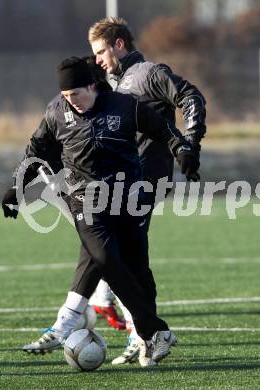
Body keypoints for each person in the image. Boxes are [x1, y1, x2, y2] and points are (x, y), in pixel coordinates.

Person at [2, 56, 199, 367]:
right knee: (105, 259)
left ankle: (150, 339)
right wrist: (16, 188)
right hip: (84, 199)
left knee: (138, 268)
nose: (71, 102)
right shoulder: (56, 111)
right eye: (66, 96)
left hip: (127, 197)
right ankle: (155, 330)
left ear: (92, 86)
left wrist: (183, 150)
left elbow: (163, 129)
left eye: (76, 94)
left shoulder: (124, 106)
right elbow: (36, 150)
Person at [87, 17, 207, 364]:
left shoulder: (149, 73)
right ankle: (143, 332)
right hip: (120, 181)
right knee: (123, 257)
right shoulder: (116, 83)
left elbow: (190, 96)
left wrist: (191, 144)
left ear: (119, 44)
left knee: (125, 258)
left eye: (100, 51)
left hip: (145, 178)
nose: (97, 59)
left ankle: (146, 335)